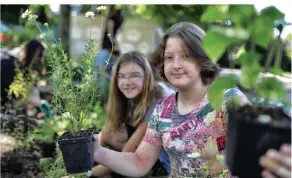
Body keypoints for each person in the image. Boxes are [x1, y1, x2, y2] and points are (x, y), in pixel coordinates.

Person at [92, 22, 250, 178]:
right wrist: (98, 152)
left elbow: (256, 156)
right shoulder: (162, 110)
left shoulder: (230, 100)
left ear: (203, 58)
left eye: (185, 56)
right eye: (169, 57)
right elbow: (140, 161)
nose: (176, 65)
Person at [89, 51, 170, 178]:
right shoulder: (132, 93)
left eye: (135, 75)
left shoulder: (160, 100)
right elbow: (106, 132)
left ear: (147, 76)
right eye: (121, 76)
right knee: (111, 131)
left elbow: (130, 151)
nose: (127, 82)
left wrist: (85, 174)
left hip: (166, 165)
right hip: (145, 156)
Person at [95, 5, 124, 76]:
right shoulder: (111, 20)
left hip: (110, 44)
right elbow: (110, 34)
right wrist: (114, 43)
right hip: (107, 44)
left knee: (115, 61)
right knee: (103, 65)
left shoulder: (117, 19)